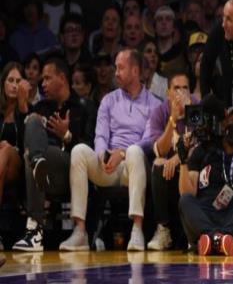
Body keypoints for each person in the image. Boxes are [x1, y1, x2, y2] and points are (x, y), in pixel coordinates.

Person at [59, 49, 161, 252]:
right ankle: (80, 232)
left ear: (135, 71)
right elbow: (100, 136)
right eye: (116, 67)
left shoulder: (154, 104)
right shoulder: (108, 100)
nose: (116, 73)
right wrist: (102, 156)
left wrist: (121, 153)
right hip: (108, 167)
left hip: (133, 167)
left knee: (134, 151)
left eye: (120, 68)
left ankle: (137, 229)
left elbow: (148, 141)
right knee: (79, 150)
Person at [13, 58, 96, 251]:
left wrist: (66, 136)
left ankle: (35, 230)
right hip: (45, 176)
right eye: (42, 79)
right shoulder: (42, 107)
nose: (43, 84)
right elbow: (23, 142)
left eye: (47, 78)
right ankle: (38, 161)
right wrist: (23, 107)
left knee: (32, 156)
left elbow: (90, 148)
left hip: (72, 172)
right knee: (32, 127)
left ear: (62, 78)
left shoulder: (84, 107)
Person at [177, 97, 233, 256]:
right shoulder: (203, 150)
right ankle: (220, 240)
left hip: (231, 218)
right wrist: (183, 161)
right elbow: (188, 192)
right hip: (204, 216)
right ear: (224, 123)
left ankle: (211, 240)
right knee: (185, 200)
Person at [142, 72, 197, 250]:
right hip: (169, 176)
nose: (181, 93)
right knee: (158, 162)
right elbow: (160, 150)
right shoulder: (160, 112)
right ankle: (163, 229)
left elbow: (201, 145)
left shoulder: (196, 108)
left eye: (185, 88)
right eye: (176, 88)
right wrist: (173, 118)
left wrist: (178, 157)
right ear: (168, 93)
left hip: (192, 171)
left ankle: (195, 230)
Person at [0, 63, 30, 250]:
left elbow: (30, 145)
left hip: (20, 167)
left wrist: (23, 106)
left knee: (6, 152)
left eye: (18, 81)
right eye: (10, 80)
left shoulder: (27, 110)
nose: (14, 85)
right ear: (2, 83)